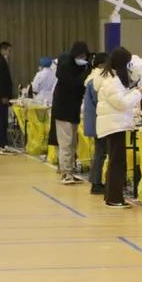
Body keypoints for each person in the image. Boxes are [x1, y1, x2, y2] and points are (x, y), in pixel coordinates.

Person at [94, 47, 141, 208]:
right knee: (117, 162)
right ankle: (114, 198)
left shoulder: (111, 78)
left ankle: (111, 195)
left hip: (115, 124)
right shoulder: (112, 80)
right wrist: (138, 93)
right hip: (114, 125)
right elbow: (121, 104)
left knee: (115, 161)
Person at [52, 41, 92, 185]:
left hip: (73, 109)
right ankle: (65, 172)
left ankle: (70, 170)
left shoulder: (80, 68)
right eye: (80, 56)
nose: (83, 59)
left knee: (73, 143)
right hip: (63, 109)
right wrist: (87, 72)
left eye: (84, 56)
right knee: (66, 142)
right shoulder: (65, 69)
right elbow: (75, 83)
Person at [82, 53, 109, 194]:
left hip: (96, 122)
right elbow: (101, 101)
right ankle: (96, 183)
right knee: (100, 153)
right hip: (99, 123)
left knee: (100, 152)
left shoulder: (92, 78)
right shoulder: (97, 80)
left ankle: (96, 181)